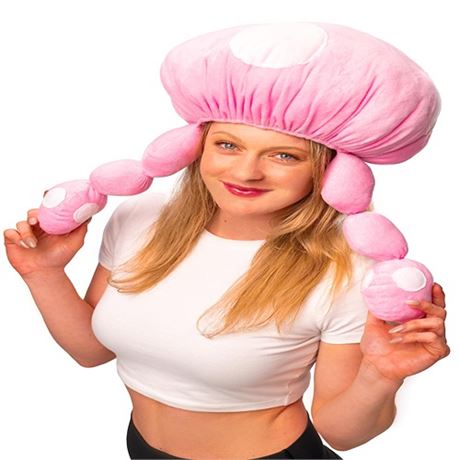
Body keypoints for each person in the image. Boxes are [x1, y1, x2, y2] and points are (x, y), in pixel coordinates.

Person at [3, 22, 450, 460]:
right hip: (142, 449)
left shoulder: (346, 271)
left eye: (283, 155)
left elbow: (341, 434)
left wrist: (381, 376)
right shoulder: (141, 219)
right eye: (228, 145)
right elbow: (91, 350)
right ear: (195, 147)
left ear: (329, 172)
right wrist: (43, 273)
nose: (246, 172)